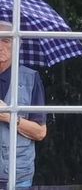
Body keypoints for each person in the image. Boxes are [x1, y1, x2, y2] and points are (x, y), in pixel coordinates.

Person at [0, 22, 47, 188]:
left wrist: (9, 116)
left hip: (17, 177)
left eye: (6, 40)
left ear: (17, 45)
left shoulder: (30, 79)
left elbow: (40, 132)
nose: (0, 46)